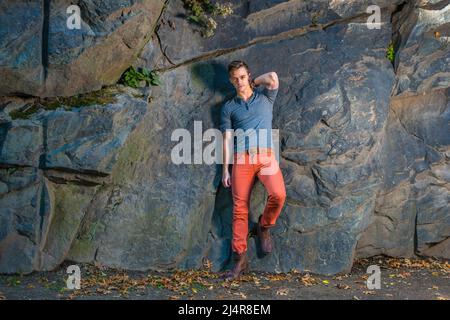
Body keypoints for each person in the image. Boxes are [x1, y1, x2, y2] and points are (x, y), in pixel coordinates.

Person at [219, 60, 287, 280]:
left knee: (279, 194)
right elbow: (228, 140)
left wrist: (253, 83)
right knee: (239, 209)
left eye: (242, 77)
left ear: (248, 75)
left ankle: (264, 227)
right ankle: (239, 260)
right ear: (230, 80)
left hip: (266, 156)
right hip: (241, 158)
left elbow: (273, 77)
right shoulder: (229, 107)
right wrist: (225, 170)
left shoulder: (266, 97)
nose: (239, 82)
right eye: (235, 79)